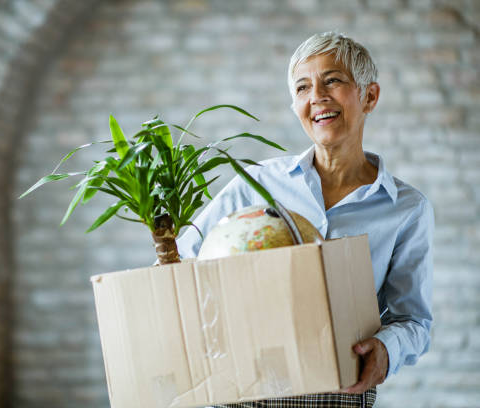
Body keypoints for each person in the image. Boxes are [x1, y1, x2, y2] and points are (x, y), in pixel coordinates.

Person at [176, 31, 434, 407]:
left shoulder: (408, 209)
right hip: (244, 387)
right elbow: (182, 260)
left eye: (333, 80)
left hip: (338, 392)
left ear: (370, 96)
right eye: (302, 88)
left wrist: (385, 350)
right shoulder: (255, 184)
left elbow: (414, 320)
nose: (317, 96)